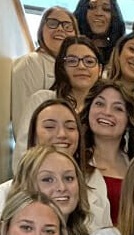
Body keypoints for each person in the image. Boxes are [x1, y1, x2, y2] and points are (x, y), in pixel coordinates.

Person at [0, 100, 110, 233]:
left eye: (71, 128)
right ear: (33, 136)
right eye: (50, 127)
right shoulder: (7, 191)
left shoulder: (95, 182)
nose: (62, 134)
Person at [14, 36, 102, 164]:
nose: (82, 66)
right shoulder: (42, 100)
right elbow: (22, 154)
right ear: (62, 67)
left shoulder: (101, 110)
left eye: (89, 61)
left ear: (99, 70)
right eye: (72, 61)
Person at [82, 81, 134, 224]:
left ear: (129, 121)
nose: (107, 112)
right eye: (99, 104)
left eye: (118, 108)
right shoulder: (74, 162)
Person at [11, 6, 77, 129]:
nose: (60, 29)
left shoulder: (75, 68)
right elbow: (23, 124)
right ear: (41, 30)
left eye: (67, 26)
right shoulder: (30, 63)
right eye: (53, 23)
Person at [73, 0, 125, 64]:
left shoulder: (121, 57)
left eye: (106, 9)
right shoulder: (70, 49)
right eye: (92, 7)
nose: (99, 13)